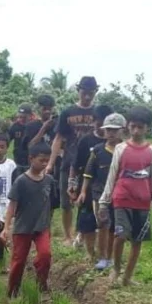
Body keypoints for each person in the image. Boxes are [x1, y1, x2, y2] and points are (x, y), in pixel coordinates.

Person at [98, 107, 152, 287]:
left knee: (137, 240)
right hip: (122, 199)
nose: (136, 131)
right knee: (120, 235)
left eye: (140, 127)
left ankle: (127, 276)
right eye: (133, 126)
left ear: (147, 128)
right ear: (128, 127)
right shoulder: (121, 148)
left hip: (142, 202)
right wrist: (104, 202)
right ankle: (116, 269)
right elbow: (112, 176)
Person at [49, 77, 99, 244]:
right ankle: (67, 235)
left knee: (87, 200)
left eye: (90, 93)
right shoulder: (67, 112)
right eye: (84, 92)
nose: (87, 96)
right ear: (78, 91)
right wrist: (50, 163)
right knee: (66, 201)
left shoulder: (98, 114)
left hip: (93, 163)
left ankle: (83, 234)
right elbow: (58, 138)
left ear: (95, 92)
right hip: (69, 161)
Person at [2, 142, 55, 297]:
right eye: (41, 160)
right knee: (18, 262)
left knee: (45, 255)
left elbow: (51, 204)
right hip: (23, 227)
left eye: (47, 160)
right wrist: (6, 228)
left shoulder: (49, 181)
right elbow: (12, 206)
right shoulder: (21, 181)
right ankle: (12, 290)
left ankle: (42, 283)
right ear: (31, 159)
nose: (45, 163)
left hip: (42, 227)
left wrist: (48, 221)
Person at [79, 113, 125, 271]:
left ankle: (112, 257)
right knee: (103, 224)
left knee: (116, 227)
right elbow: (88, 173)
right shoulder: (98, 150)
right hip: (100, 194)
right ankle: (102, 257)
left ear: (122, 131)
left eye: (115, 130)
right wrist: (83, 191)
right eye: (108, 130)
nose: (111, 133)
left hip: (120, 194)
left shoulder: (126, 151)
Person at [71, 105, 115, 257]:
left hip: (111, 189)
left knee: (108, 223)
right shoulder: (87, 141)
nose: (102, 125)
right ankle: (91, 252)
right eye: (98, 121)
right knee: (88, 219)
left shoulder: (120, 146)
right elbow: (76, 165)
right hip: (90, 187)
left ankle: (105, 255)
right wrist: (74, 186)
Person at [7, 104, 34, 175]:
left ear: (30, 116)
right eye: (19, 117)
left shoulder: (34, 126)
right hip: (17, 161)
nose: (20, 119)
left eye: (24, 117)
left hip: (31, 161)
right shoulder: (15, 126)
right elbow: (7, 140)